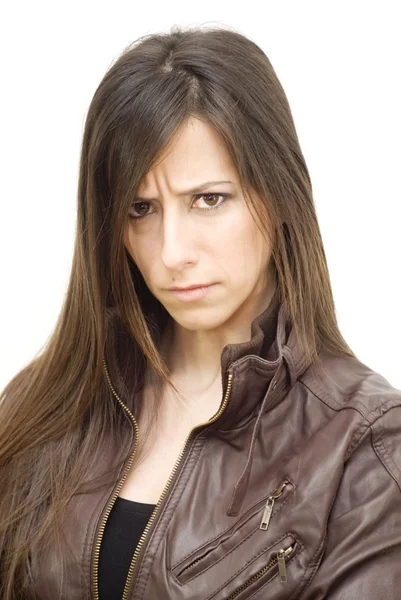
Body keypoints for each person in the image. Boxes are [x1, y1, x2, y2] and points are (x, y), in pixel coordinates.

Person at [0, 24, 400, 600]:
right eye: (141, 209)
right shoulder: (48, 404)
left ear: (279, 195)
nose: (171, 253)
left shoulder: (365, 446)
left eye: (208, 200)